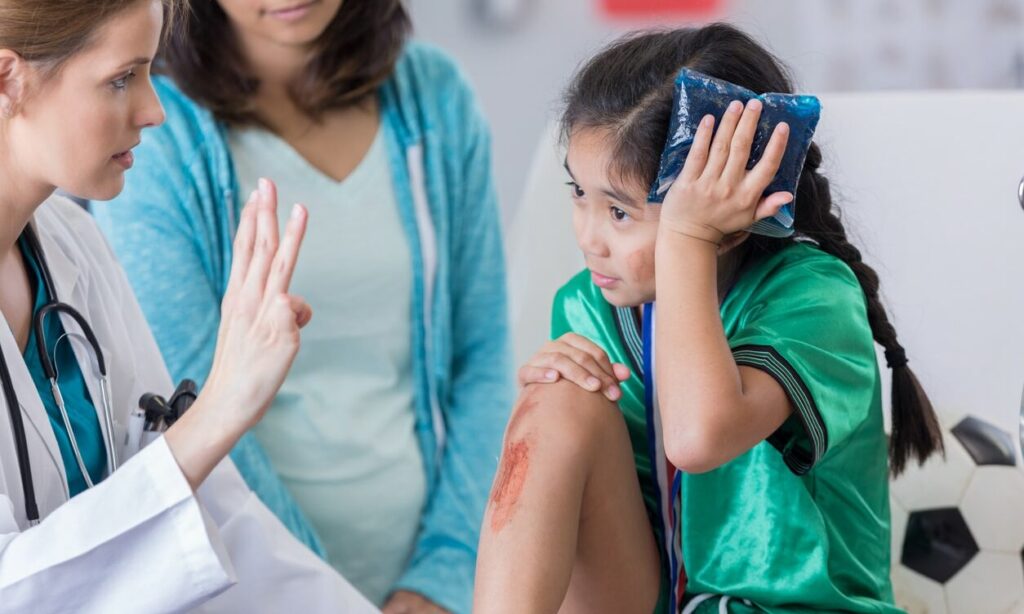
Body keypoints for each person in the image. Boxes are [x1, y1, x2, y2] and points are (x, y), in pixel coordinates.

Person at [475, 24, 943, 614]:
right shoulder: (590, 304)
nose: (589, 238)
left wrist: (688, 238)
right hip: (651, 597)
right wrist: (548, 416)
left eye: (619, 212)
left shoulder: (814, 298)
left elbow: (698, 438)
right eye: (578, 193)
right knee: (555, 396)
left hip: (798, 609)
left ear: (732, 213)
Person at [91, 1, 511, 611]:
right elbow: (190, 400)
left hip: (440, 578)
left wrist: (442, 575)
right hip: (258, 584)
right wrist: (324, 594)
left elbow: (486, 357)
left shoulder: (434, 96)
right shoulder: (152, 131)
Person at [0, 0, 376, 611]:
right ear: (8, 79)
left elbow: (207, 517)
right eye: (122, 78)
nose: (154, 110)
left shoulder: (77, 245)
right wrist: (220, 409)